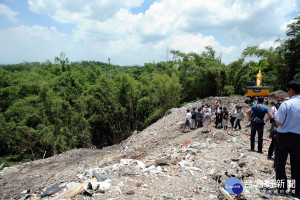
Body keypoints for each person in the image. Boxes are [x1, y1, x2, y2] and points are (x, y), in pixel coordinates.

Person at [274, 79, 300, 196]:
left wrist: (275, 116)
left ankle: (282, 189)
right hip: (299, 138)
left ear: (291, 90)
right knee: (297, 165)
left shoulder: (286, 104)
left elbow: (279, 122)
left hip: (283, 137)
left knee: (280, 164)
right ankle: (296, 190)